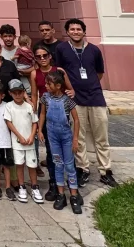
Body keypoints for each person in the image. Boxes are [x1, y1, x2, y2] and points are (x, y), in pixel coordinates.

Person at [53, 18, 116, 188]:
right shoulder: (62, 49)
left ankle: (105, 170)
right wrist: (71, 88)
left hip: (95, 97)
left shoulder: (94, 50)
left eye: (78, 29)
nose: (75, 32)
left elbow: (99, 73)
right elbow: (60, 71)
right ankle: (83, 168)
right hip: (75, 99)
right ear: (67, 32)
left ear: (84, 31)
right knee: (78, 136)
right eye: (72, 29)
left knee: (101, 135)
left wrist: (89, 84)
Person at [32, 43, 74, 201]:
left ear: (50, 56)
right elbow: (35, 95)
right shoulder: (34, 74)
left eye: (45, 55)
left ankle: (71, 184)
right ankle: (54, 183)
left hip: (62, 114)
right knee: (51, 152)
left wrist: (71, 96)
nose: (42, 59)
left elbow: (70, 89)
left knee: (67, 151)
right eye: (38, 56)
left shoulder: (59, 71)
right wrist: (34, 115)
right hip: (46, 114)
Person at [38, 70, 82, 213]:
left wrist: (75, 139)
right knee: (57, 164)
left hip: (66, 137)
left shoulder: (67, 101)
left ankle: (74, 196)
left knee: (69, 165)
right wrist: (39, 129)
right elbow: (43, 113)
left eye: (49, 84)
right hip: (52, 137)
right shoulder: (45, 98)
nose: (46, 86)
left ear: (58, 85)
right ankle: (61, 194)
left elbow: (76, 119)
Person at [4, 79, 43, 204]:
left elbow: (34, 122)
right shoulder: (9, 106)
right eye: (14, 92)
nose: (17, 95)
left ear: (23, 92)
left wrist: (32, 136)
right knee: (19, 165)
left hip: (30, 142)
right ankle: (21, 187)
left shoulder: (29, 106)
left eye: (20, 92)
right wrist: (19, 136)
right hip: (17, 142)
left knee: (32, 165)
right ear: (10, 93)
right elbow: (9, 123)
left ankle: (35, 187)